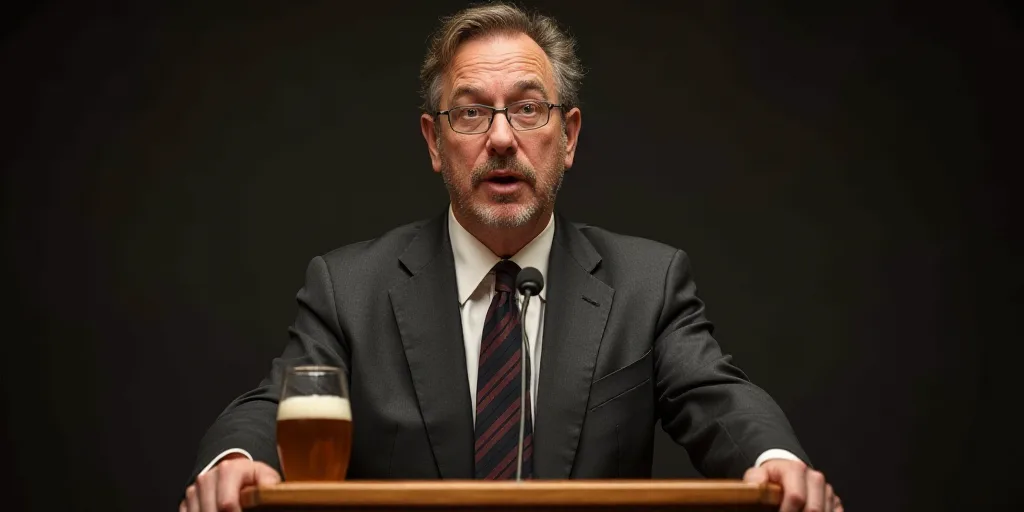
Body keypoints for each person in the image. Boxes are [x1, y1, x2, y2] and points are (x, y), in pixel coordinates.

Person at [180, 3, 842, 512]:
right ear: (434, 142)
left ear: (570, 135)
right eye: (470, 115)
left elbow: (718, 398)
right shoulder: (349, 287)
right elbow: (275, 403)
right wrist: (234, 460)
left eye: (528, 110)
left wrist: (772, 457)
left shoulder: (648, 284)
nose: (501, 139)